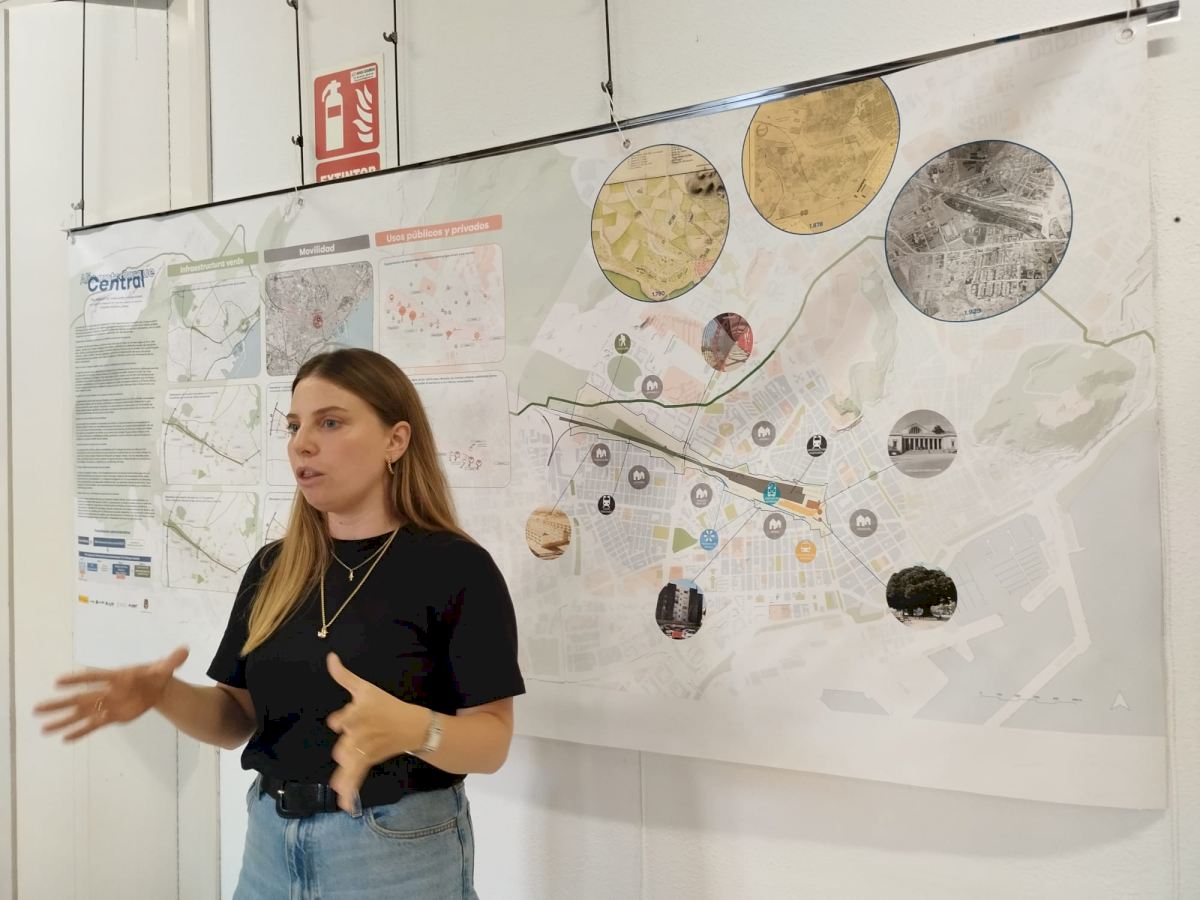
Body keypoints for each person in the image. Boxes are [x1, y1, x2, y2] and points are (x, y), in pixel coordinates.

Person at [34, 348, 525, 899]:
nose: (301, 444)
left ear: (396, 440)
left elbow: (491, 742)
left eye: (330, 423)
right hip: (270, 845)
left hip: (394, 852)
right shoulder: (274, 567)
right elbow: (234, 719)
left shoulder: (455, 567)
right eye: (294, 426)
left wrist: (413, 728)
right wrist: (163, 694)